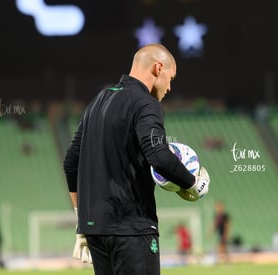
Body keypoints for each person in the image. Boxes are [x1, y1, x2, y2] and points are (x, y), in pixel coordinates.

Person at [63, 44, 210, 275]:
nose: (170, 87)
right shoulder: (145, 104)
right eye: (170, 78)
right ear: (158, 68)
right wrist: (192, 183)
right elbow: (159, 156)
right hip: (131, 228)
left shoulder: (97, 102)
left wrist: (80, 219)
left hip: (95, 230)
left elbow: (71, 162)